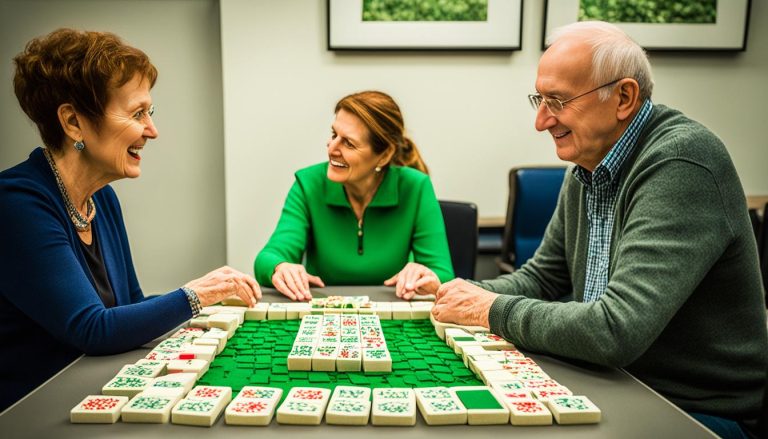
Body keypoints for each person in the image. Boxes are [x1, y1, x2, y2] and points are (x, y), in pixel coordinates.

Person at [410, 22, 768, 439]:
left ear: (624, 97)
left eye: (558, 101)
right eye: (539, 100)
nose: (541, 121)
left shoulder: (681, 162)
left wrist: (488, 309)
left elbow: (615, 330)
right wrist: (457, 290)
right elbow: (542, 278)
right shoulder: (587, 162)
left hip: (691, 409)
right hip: (612, 381)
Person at [0, 28, 261, 412]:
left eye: (149, 113)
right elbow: (92, 328)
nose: (152, 130)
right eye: (138, 113)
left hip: (94, 397)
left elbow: (128, 306)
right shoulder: (15, 202)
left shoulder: (101, 197)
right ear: (73, 123)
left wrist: (212, 305)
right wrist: (196, 295)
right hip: (32, 413)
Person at [254, 90, 454, 301]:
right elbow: (266, 259)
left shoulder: (416, 186)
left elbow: (444, 275)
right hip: (322, 314)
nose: (332, 148)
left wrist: (426, 275)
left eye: (348, 143)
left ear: (384, 155)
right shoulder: (308, 183)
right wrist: (280, 267)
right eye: (334, 135)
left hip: (392, 317)